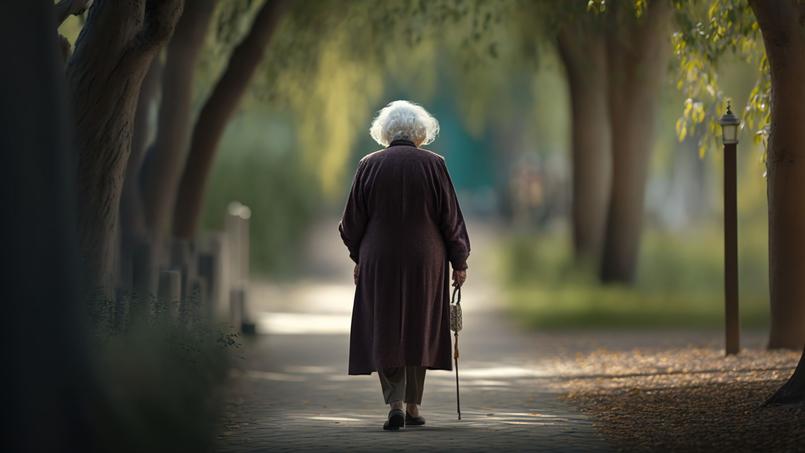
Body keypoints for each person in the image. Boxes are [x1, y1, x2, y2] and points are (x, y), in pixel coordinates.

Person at [338, 100, 471, 431]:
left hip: (379, 260)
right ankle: (413, 406)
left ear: (385, 132)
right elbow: (450, 219)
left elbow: (351, 223)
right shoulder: (434, 165)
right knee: (418, 325)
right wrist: (460, 260)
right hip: (426, 261)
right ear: (420, 133)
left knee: (386, 325)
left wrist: (359, 256)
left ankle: (394, 404)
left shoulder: (368, 165)